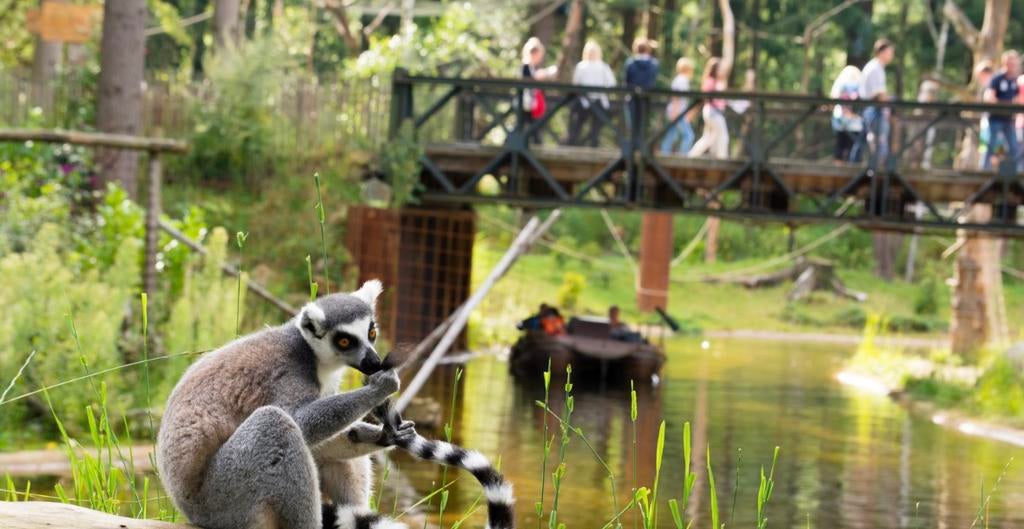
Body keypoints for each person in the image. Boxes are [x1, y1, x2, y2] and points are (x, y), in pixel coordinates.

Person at [850, 38, 895, 163]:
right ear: (882, 52)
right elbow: (879, 94)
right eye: (890, 52)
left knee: (864, 140)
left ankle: (858, 165)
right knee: (878, 141)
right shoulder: (876, 68)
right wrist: (891, 102)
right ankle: (875, 169)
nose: (892, 55)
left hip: (869, 109)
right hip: (873, 110)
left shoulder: (876, 67)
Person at [570, 40, 616, 147]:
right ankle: (592, 145)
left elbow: (575, 83)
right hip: (598, 101)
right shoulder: (604, 67)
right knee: (595, 127)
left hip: (584, 101)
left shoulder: (581, 66)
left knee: (578, 125)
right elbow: (611, 84)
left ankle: (574, 144)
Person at [983, 50, 1021, 171]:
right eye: (1010, 62)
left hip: (1009, 120)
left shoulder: (1015, 80)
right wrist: (1005, 105)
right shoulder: (997, 78)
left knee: (1014, 147)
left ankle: (1015, 172)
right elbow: (989, 97)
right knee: (992, 145)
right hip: (995, 118)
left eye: (1014, 63)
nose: (1012, 65)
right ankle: (985, 170)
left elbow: (1017, 98)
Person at [689, 57, 729, 159]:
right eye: (720, 68)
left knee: (708, 137)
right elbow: (706, 97)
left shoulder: (718, 82)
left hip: (715, 112)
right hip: (712, 112)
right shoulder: (710, 81)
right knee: (723, 136)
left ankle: (692, 155)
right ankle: (722, 159)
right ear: (715, 69)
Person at [521, 37, 557, 144]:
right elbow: (527, 81)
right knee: (529, 127)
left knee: (532, 127)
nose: (541, 59)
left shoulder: (531, 67)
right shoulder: (526, 66)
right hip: (525, 103)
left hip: (529, 103)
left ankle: (536, 145)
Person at [624, 37, 659, 146]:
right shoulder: (654, 64)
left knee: (633, 124)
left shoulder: (630, 63)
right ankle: (641, 145)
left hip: (632, 97)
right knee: (643, 123)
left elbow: (627, 80)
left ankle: (632, 145)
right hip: (646, 98)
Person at [660, 57, 696, 154]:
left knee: (672, 134)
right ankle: (683, 156)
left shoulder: (679, 79)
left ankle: (664, 153)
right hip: (678, 112)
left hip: (678, 111)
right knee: (689, 136)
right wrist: (675, 113)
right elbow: (676, 98)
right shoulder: (682, 80)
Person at [829, 65, 863, 164]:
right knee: (852, 148)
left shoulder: (840, 83)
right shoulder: (858, 84)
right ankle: (850, 170)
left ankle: (840, 169)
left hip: (841, 122)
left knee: (841, 146)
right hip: (853, 123)